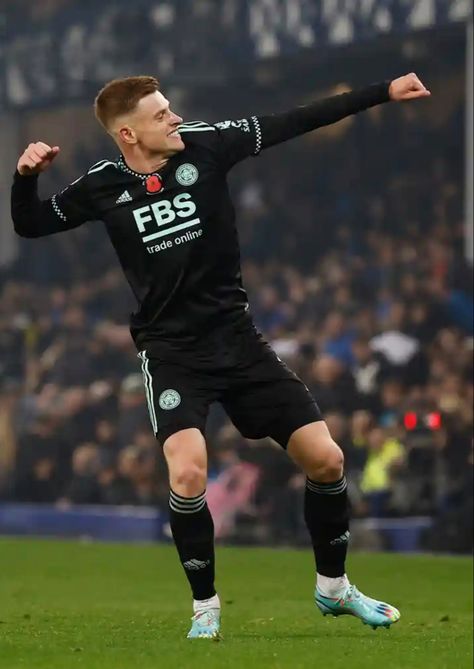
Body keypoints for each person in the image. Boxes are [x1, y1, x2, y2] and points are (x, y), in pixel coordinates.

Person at [11, 72, 430, 639]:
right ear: (129, 134)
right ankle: (205, 607)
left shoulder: (207, 144)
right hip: (172, 353)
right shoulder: (102, 185)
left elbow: (295, 120)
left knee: (328, 461)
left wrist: (382, 90)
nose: (175, 118)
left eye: (170, 108)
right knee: (187, 474)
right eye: (161, 114)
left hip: (238, 341)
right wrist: (24, 178)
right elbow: (29, 224)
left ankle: (334, 588)